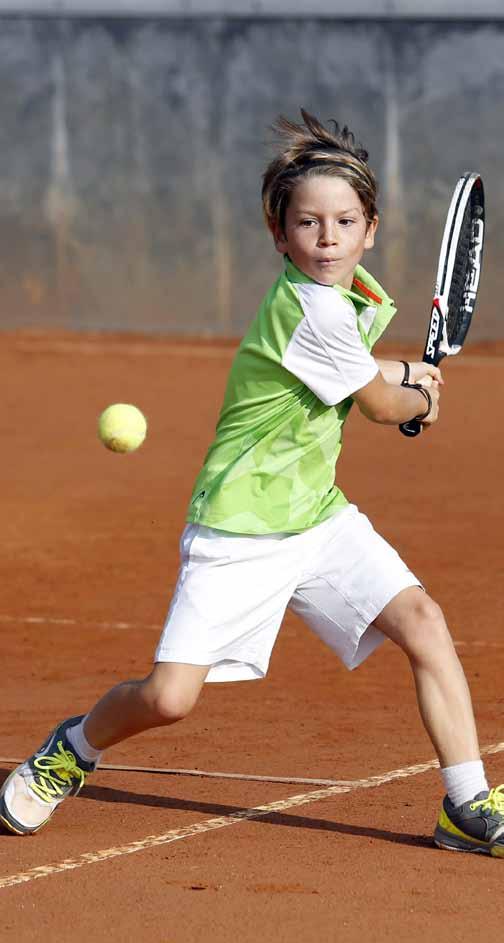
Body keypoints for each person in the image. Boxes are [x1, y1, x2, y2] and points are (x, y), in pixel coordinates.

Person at [1, 109, 503, 855]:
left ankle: (465, 804)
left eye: (343, 220)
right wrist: (419, 397)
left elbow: (369, 373)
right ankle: (71, 748)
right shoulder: (308, 309)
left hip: (317, 518)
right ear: (281, 235)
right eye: (308, 223)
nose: (326, 237)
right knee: (169, 698)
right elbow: (376, 402)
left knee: (423, 622)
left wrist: (405, 376)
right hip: (238, 528)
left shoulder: (349, 297)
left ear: (371, 230)